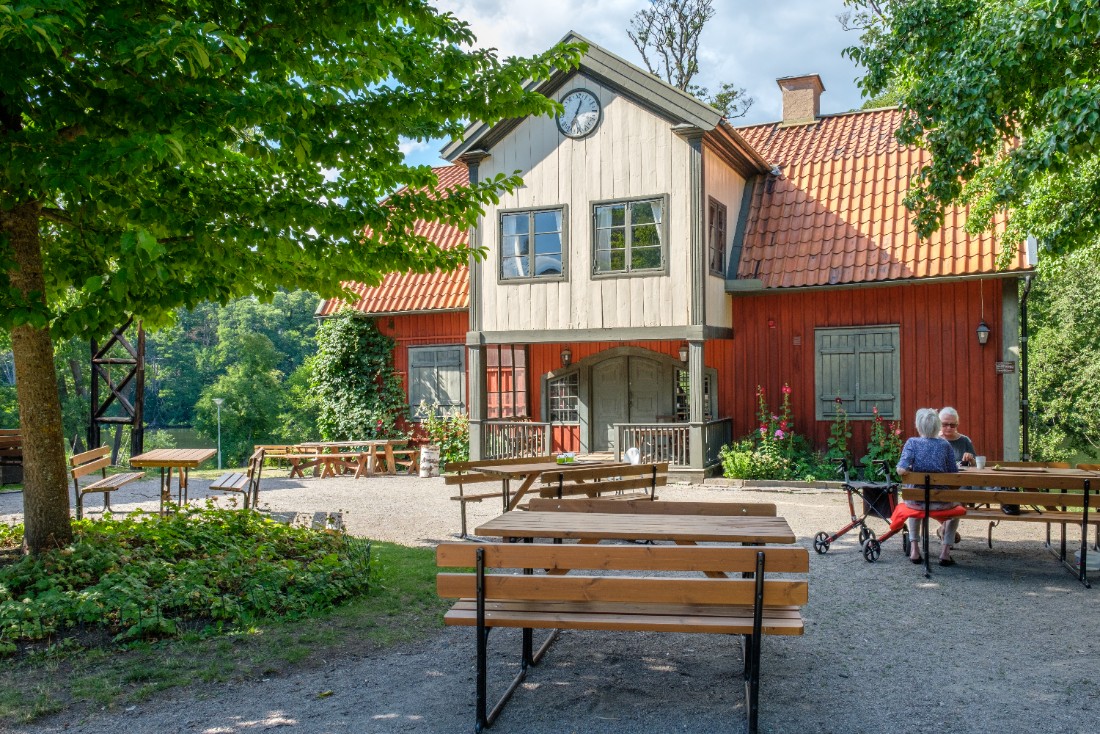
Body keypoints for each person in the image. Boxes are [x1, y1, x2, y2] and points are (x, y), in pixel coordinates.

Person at [896, 408, 962, 566]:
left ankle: (914, 550)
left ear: (919, 426)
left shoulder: (912, 443)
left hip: (917, 502)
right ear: (937, 426)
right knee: (957, 507)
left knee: (914, 498)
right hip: (941, 502)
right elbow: (953, 474)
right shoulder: (945, 445)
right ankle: (945, 553)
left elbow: (901, 469)